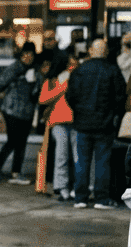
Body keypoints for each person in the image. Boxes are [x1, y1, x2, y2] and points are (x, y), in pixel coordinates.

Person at [66, 39, 127, 209]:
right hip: (104, 124)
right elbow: (120, 97)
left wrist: (78, 112)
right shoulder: (112, 70)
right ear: (106, 52)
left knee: (82, 162)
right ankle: (101, 198)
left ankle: (80, 198)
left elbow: (70, 96)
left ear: (91, 51)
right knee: (102, 162)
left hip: (82, 123)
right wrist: (112, 115)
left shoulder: (79, 70)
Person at [0, 42, 41, 184]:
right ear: (21, 55)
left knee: (21, 142)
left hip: (27, 112)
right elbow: (0, 82)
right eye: (25, 54)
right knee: (13, 140)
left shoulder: (36, 70)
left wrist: (35, 83)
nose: (28, 57)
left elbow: (38, 91)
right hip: (12, 110)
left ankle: (15, 173)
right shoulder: (15, 68)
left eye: (30, 54)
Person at [38, 50, 75, 201]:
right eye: (70, 62)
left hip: (74, 122)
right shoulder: (52, 81)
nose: (73, 64)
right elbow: (43, 99)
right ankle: (62, 187)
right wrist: (63, 87)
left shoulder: (75, 76)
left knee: (73, 157)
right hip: (58, 123)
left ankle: (72, 187)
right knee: (62, 156)